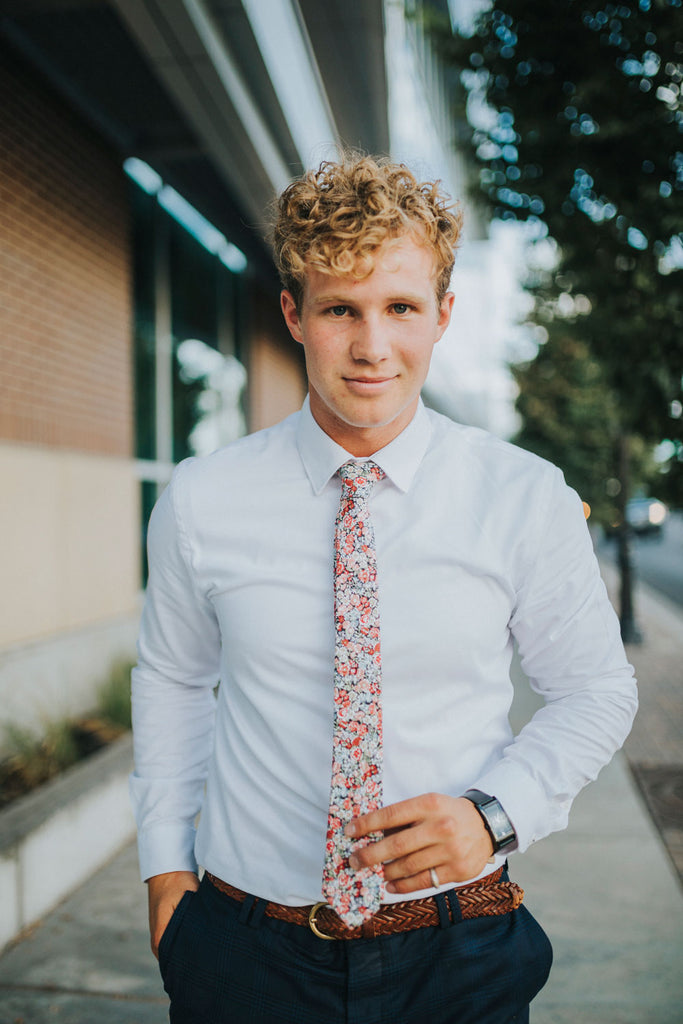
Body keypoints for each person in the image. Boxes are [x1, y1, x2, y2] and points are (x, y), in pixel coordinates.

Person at [130, 153, 637, 1024]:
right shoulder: (202, 499)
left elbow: (593, 689)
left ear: (442, 315)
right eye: (340, 310)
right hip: (245, 952)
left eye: (400, 307)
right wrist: (166, 872)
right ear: (294, 314)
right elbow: (174, 680)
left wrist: (495, 817)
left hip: (458, 950)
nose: (371, 346)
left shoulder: (522, 496)